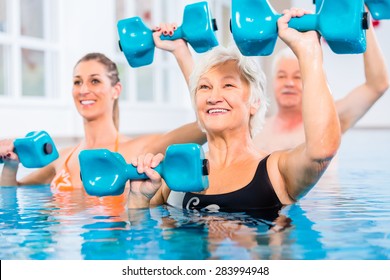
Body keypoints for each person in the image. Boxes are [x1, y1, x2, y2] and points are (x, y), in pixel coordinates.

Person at [126, 8, 341, 211]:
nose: (213, 97)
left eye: (228, 85)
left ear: (254, 102)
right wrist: (138, 198)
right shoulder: (173, 174)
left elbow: (320, 151)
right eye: (204, 87)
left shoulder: (276, 170)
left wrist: (308, 51)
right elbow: (138, 238)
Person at [0, 28, 207, 192]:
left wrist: (180, 52)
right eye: (77, 82)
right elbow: (15, 192)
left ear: (116, 90)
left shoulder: (142, 149)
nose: (84, 90)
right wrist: (11, 165)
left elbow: (205, 125)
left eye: (95, 81)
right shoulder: (60, 158)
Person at [253, 15, 389, 152]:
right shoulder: (256, 128)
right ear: (273, 81)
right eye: (282, 76)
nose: (289, 83)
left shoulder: (328, 121)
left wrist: (364, 19)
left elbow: (378, 85)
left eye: (297, 77)